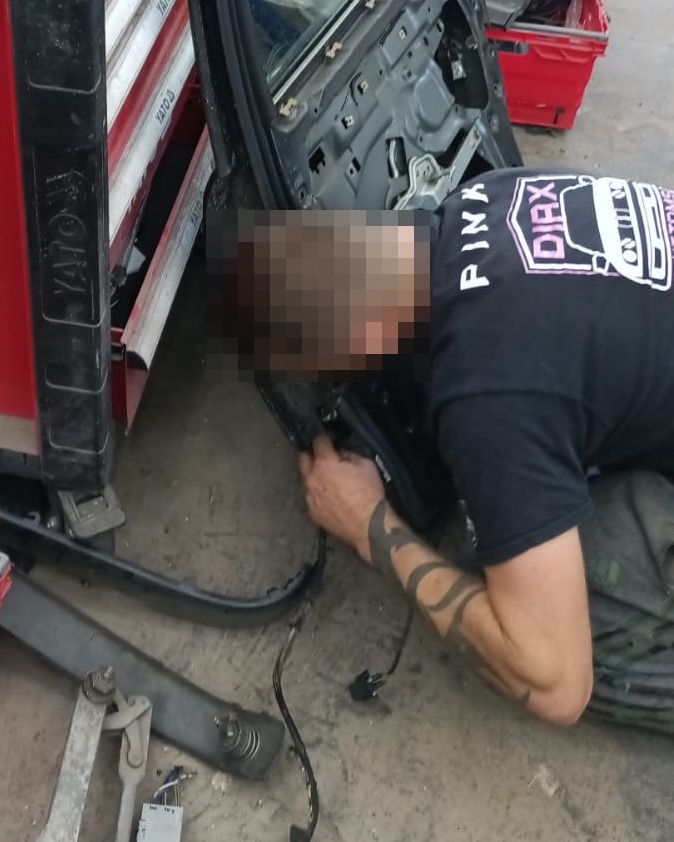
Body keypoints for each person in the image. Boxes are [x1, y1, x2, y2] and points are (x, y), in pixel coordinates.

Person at [226, 170, 674, 728]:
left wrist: (368, 524)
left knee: (502, 605)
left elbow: (559, 686)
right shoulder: (484, 197)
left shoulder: (488, 395)